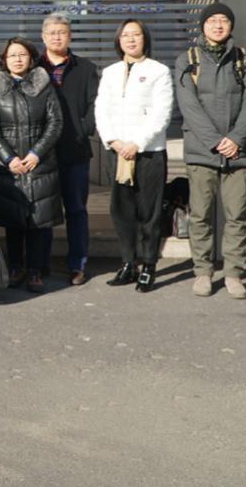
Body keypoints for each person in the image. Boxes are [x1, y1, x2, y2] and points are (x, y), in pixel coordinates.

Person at [174, 2, 246, 300]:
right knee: (200, 214)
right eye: (212, 20)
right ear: (203, 26)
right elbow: (188, 105)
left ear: (231, 25)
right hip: (202, 150)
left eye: (224, 20)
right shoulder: (188, 59)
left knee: (236, 215)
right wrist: (215, 140)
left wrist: (236, 138)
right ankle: (203, 271)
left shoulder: (245, 59)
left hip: (239, 152)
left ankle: (234, 273)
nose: (218, 25)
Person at [94, 19, 173, 293]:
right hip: (118, 153)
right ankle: (128, 263)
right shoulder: (110, 72)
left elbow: (162, 113)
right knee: (121, 211)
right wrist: (113, 140)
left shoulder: (158, 71)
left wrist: (137, 143)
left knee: (149, 212)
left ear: (145, 39)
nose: (130, 40)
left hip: (148, 153)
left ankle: (149, 264)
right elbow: (101, 109)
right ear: (119, 41)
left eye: (136, 35)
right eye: (125, 35)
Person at [0, 38, 64, 294]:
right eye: (12, 55)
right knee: (14, 220)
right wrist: (8, 158)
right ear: (4, 60)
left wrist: (36, 153)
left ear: (31, 58)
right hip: (10, 165)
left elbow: (55, 122)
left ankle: (36, 270)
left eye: (22, 54)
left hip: (39, 163)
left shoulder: (44, 85)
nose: (17, 59)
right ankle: (16, 267)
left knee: (39, 221)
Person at [39, 13, 100, 285]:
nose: (57, 37)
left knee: (76, 209)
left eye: (62, 32)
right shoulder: (34, 67)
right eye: (52, 33)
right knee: (43, 210)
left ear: (70, 36)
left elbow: (95, 105)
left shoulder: (85, 68)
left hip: (75, 150)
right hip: (42, 152)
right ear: (43, 37)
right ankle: (40, 264)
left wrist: (82, 130)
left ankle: (78, 264)